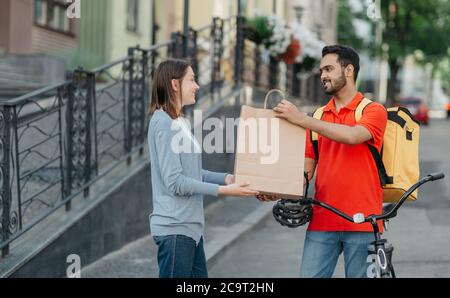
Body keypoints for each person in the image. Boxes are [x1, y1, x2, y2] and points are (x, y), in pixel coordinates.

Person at [258, 45, 387, 278]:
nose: (323, 75)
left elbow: (351, 136)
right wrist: (276, 191)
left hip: (364, 223)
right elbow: (305, 172)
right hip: (322, 222)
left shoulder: (373, 110)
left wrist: (301, 119)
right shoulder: (318, 116)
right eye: (321, 71)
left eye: (329, 69)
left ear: (349, 70)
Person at [147, 59, 259, 278]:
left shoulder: (179, 122)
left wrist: (227, 179)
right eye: (192, 79)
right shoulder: (164, 123)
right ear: (175, 85)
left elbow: (193, 174)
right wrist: (225, 192)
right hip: (175, 231)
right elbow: (176, 182)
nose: (197, 85)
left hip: (190, 231)